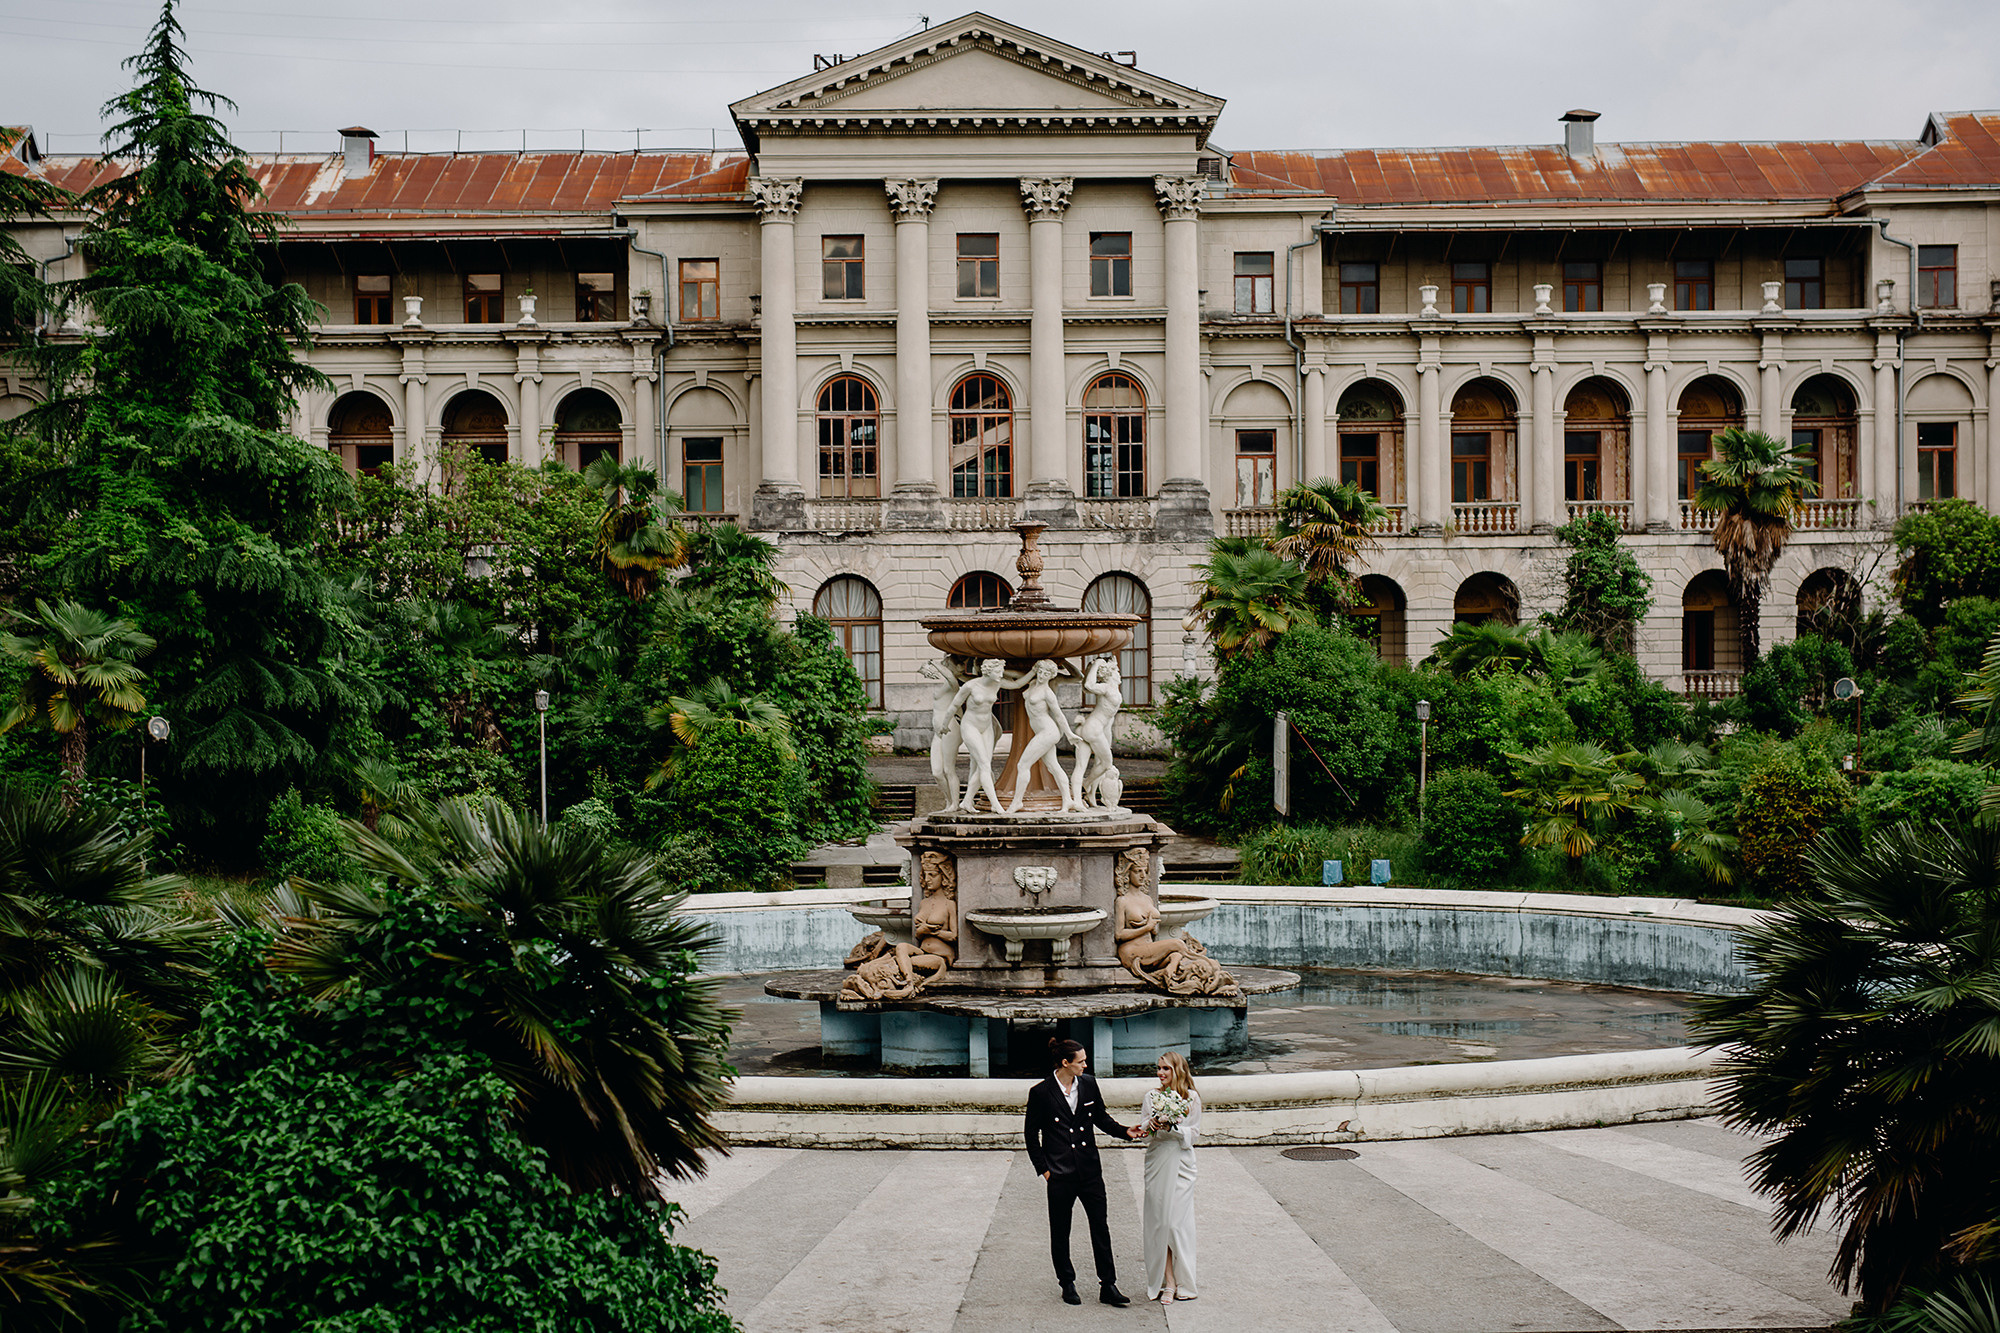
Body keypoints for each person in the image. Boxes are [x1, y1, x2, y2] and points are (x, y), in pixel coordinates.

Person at [1022, 1037, 1139, 1307]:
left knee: (1100, 1227)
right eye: (1081, 1061)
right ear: (1065, 1063)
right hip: (1060, 1174)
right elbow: (1031, 1135)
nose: (1086, 1065)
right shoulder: (1040, 1092)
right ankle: (1067, 1283)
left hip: (1089, 1170)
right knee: (1061, 1231)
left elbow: (1101, 1117)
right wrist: (1044, 1170)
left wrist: (1125, 1132)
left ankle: (1108, 1285)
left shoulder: (1088, 1084)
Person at [1140, 1050, 1201, 1303]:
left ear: (1178, 1070)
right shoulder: (1151, 1096)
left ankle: (1184, 1280)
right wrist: (1151, 1125)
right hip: (1157, 1159)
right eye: (1158, 1068)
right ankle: (1168, 1281)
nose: (1160, 1073)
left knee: (1176, 1223)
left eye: (1165, 1068)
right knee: (1159, 1223)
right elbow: (1143, 1126)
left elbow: (1194, 1134)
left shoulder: (1192, 1098)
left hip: (1181, 1162)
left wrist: (1172, 1127)